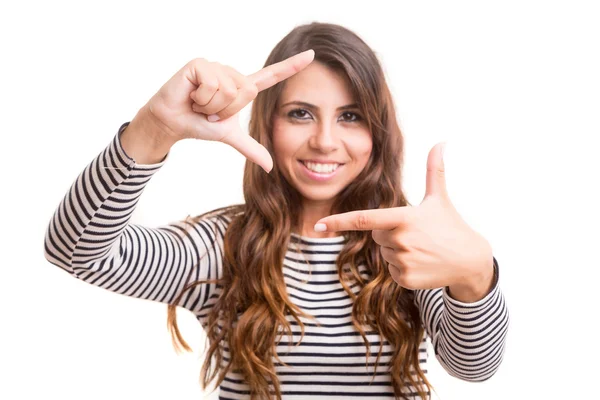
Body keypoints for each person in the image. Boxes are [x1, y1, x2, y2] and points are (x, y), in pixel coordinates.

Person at [43, 22, 508, 400]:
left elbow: (475, 366)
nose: (325, 140)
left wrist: (474, 274)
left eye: (350, 116)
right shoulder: (224, 248)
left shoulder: (405, 242)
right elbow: (75, 250)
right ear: (267, 124)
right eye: (300, 113)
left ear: (377, 133)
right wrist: (154, 128)